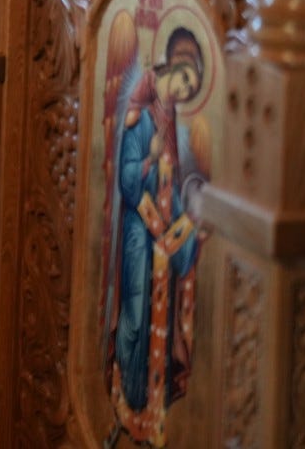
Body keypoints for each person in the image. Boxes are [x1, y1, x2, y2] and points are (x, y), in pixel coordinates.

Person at [107, 25, 205, 447]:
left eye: (191, 89)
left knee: (157, 332)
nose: (183, 92)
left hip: (160, 246)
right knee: (133, 321)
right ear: (171, 69)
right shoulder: (140, 117)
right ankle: (125, 410)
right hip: (137, 238)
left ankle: (150, 422)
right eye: (184, 81)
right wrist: (147, 162)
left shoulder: (169, 126)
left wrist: (190, 230)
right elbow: (128, 181)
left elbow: (174, 192)